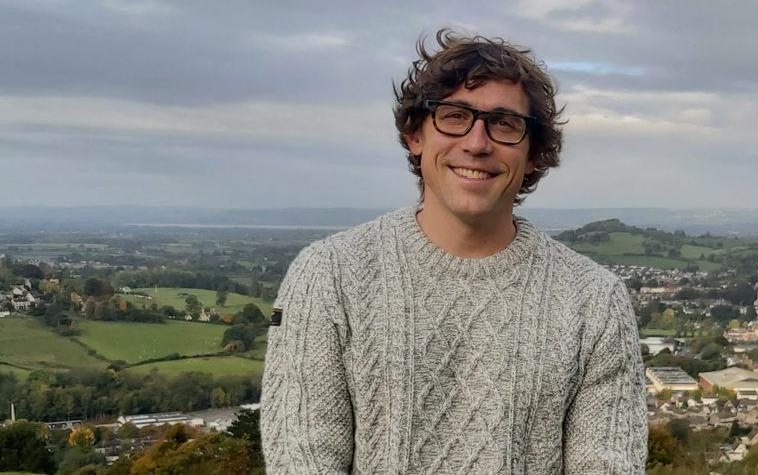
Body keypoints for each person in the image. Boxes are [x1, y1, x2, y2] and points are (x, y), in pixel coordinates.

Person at [260, 29, 648, 473]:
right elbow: (303, 460)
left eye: (505, 123)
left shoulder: (594, 301)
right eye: (454, 115)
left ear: (534, 152)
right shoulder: (329, 275)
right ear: (415, 135)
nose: (477, 143)